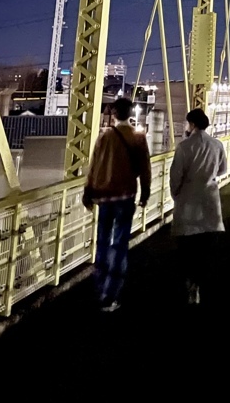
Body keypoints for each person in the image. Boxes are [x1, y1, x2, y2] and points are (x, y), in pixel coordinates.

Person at [82, 97, 151, 312]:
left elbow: (93, 165)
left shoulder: (104, 136)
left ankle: (99, 287)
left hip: (104, 197)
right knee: (119, 244)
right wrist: (145, 193)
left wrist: (88, 190)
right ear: (131, 112)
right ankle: (111, 294)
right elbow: (145, 168)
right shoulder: (138, 137)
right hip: (126, 195)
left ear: (113, 113)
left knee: (102, 241)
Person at [169, 108, 227, 306]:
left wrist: (175, 194)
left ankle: (189, 284)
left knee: (186, 249)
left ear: (191, 124)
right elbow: (223, 169)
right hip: (210, 200)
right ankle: (199, 286)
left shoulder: (184, 147)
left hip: (188, 200)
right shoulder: (217, 145)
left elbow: (176, 175)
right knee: (205, 250)